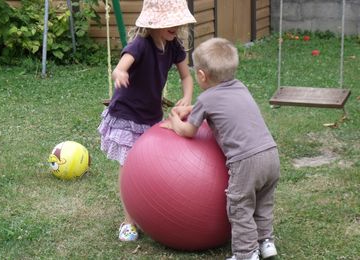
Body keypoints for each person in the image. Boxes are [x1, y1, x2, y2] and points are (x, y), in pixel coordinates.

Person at [161, 38, 280, 260]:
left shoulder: (207, 98)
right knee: (263, 202)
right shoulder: (240, 86)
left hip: (245, 161)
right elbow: (222, 105)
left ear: (202, 76)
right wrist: (193, 108)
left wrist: (175, 122)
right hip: (270, 154)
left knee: (240, 206)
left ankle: (246, 253)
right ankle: (266, 242)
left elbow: (188, 131)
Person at [97, 0, 196, 242]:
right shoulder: (140, 44)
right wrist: (119, 72)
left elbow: (186, 77)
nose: (175, 26)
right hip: (127, 115)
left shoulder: (174, 46)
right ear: (153, 23)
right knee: (130, 165)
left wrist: (186, 97)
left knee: (150, 163)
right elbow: (122, 66)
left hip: (151, 116)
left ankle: (149, 207)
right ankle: (128, 221)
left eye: (177, 21)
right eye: (169, 21)